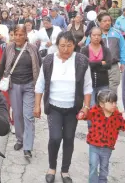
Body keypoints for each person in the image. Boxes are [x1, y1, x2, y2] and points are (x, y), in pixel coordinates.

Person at [34, 31, 92, 183]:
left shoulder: (82, 61)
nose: (66, 49)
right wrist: (37, 105)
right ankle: (51, 168)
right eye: (62, 45)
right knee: (55, 138)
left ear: (74, 45)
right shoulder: (48, 60)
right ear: (57, 45)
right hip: (54, 106)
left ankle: (65, 170)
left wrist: (86, 107)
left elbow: (87, 87)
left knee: (68, 138)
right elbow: (40, 84)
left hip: (73, 108)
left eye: (69, 45)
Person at [0, 24, 41, 157]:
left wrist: (40, 86)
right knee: (17, 114)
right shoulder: (9, 48)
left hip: (29, 86)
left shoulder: (33, 49)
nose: (18, 37)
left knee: (28, 115)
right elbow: (2, 66)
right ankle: (20, 139)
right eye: (16, 34)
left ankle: (28, 147)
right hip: (13, 85)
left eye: (21, 34)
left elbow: (40, 66)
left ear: (26, 35)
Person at [77, 90, 125, 183]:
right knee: (93, 166)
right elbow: (86, 115)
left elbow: (123, 125)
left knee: (104, 168)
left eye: (115, 102)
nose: (114, 104)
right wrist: (81, 114)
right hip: (94, 146)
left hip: (107, 148)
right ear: (102, 104)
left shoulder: (117, 116)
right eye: (111, 102)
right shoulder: (94, 111)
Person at [85, 12, 125, 94]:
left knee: (112, 90)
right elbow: (87, 50)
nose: (107, 23)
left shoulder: (117, 33)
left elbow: (122, 48)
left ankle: (110, 105)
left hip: (113, 66)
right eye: (104, 21)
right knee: (99, 92)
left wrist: (123, 63)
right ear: (99, 22)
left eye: (109, 21)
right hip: (98, 67)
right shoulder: (94, 34)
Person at [81, 27, 112, 107]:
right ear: (90, 36)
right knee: (91, 107)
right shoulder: (84, 50)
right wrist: (100, 63)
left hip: (103, 83)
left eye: (99, 35)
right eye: (94, 35)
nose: (96, 37)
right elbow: (84, 65)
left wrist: (92, 64)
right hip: (89, 84)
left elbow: (108, 65)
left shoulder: (106, 50)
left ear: (101, 36)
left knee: (105, 106)